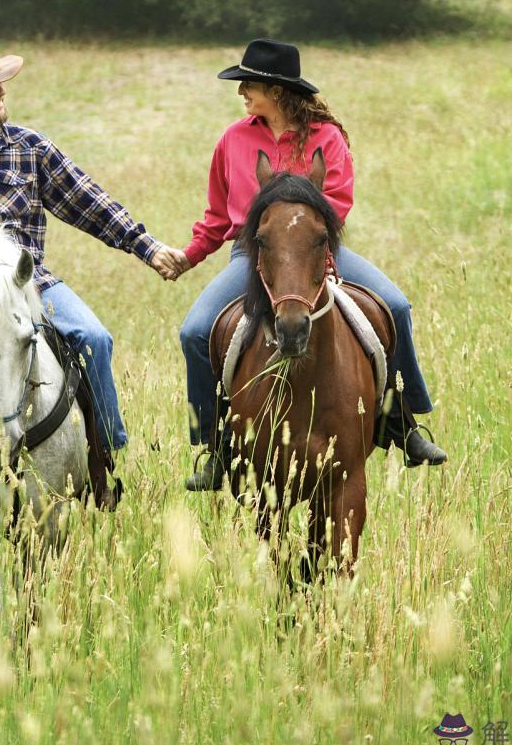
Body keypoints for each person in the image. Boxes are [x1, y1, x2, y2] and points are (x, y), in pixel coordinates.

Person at [0, 36, 181, 509]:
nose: (1, 91)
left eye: (0, 82)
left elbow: (89, 203)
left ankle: (103, 459)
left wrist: (147, 247)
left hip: (30, 281)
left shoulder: (31, 147)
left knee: (94, 339)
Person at [166, 38, 447, 490]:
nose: (241, 92)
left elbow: (338, 204)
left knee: (395, 306)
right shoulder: (232, 139)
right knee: (195, 332)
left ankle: (402, 423)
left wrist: (307, 241)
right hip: (253, 253)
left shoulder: (327, 138)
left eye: (249, 84)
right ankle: (215, 446)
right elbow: (218, 216)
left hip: (317, 250)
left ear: (276, 90)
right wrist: (188, 256)